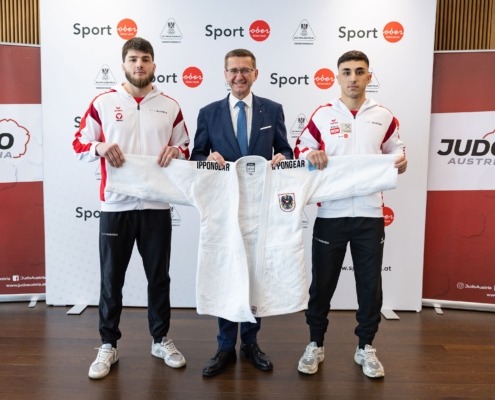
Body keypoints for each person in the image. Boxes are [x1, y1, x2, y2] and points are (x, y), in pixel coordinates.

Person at [72, 37, 190, 380]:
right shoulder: (104, 102)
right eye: (134, 59)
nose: (140, 64)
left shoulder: (169, 105)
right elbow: (78, 142)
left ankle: (160, 339)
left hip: (156, 204)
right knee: (112, 278)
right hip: (116, 205)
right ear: (123, 64)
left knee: (159, 277)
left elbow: (185, 145)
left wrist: (177, 152)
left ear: (154, 65)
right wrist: (99, 146)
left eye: (146, 59)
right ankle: (108, 344)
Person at [294, 50, 407, 378]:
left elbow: (397, 150)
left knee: (370, 285)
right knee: (322, 284)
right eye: (347, 72)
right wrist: (311, 153)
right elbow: (301, 148)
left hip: (370, 215)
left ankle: (365, 347)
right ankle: (315, 344)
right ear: (337, 77)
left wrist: (401, 161)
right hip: (331, 213)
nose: (353, 78)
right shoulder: (322, 114)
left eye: (359, 71)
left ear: (369, 76)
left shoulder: (383, 115)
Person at [190, 48, 293, 377]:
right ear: (225, 74)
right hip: (225, 208)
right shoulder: (208, 113)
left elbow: (286, 150)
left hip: (260, 208)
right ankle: (224, 346)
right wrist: (209, 160)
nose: (239, 76)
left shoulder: (272, 110)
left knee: (254, 274)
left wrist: (283, 158)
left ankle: (249, 344)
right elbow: (196, 157)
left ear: (255, 74)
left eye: (245, 70)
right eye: (233, 70)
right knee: (226, 272)